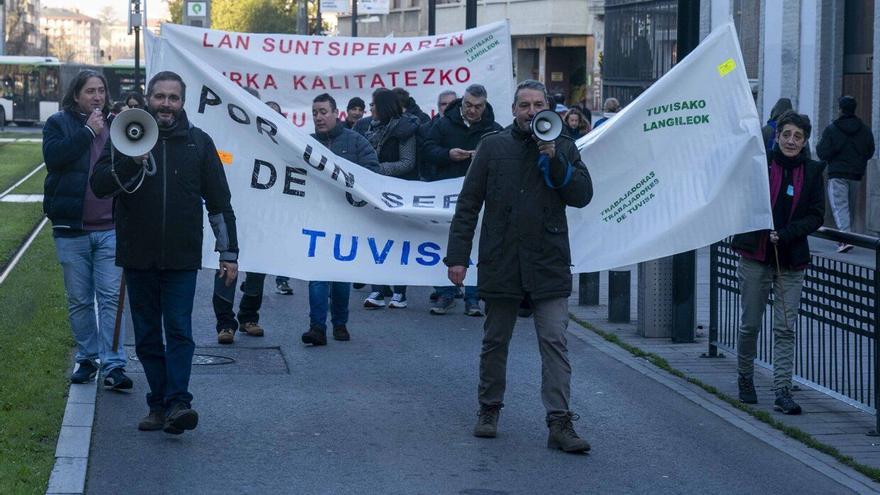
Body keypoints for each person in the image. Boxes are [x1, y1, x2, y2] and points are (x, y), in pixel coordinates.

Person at [445, 80, 593, 452]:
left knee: (555, 341)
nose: (530, 111)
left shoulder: (563, 146)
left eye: (537, 104)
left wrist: (555, 158)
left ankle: (560, 422)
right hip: (503, 259)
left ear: (549, 108)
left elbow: (582, 196)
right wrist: (458, 257)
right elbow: (468, 205)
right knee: (495, 341)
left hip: (548, 261)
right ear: (513, 110)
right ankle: (489, 409)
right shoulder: (492, 147)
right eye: (524, 105)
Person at [91, 71, 239, 435]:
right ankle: (157, 405)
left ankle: (178, 403)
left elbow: (220, 202)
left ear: (182, 102)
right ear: (148, 98)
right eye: (160, 97)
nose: (166, 104)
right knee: (146, 336)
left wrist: (229, 252)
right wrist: (130, 160)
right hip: (138, 255)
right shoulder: (125, 136)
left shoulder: (199, 143)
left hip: (181, 257)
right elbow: (99, 186)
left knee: (179, 330)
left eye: (173, 98)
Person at [42, 70, 132, 391]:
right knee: (80, 299)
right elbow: (53, 159)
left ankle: (114, 363)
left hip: (111, 227)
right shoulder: (59, 123)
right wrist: (86, 132)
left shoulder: (117, 123)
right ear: (77, 95)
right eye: (90, 91)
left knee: (110, 298)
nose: (97, 96)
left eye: (101, 91)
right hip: (72, 228)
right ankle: (88, 356)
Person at [731, 111, 824, 415]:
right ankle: (745, 377)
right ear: (777, 135)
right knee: (750, 325)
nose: (791, 141)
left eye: (798, 136)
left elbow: (816, 215)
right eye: (786, 134)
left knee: (785, 328)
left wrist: (785, 234)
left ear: (805, 140)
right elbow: (741, 199)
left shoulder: (811, 172)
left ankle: (782, 389)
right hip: (756, 257)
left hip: (791, 261)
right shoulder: (760, 165)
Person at [301, 93, 380, 346]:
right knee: (318, 273)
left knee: (341, 274)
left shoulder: (356, 141)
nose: (319, 117)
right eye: (314, 113)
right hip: (317, 218)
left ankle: (340, 323)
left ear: (336, 114)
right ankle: (317, 327)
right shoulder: (306, 143)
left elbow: (372, 171)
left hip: (347, 219)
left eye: (323, 112)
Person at [422, 84, 502, 317]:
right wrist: (448, 155)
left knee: (476, 245)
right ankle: (445, 293)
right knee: (445, 242)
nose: (472, 110)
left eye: (477, 107)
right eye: (468, 105)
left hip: (479, 196)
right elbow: (427, 150)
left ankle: (473, 297)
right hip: (445, 195)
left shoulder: (494, 130)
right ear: (462, 102)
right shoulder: (443, 124)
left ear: (485, 105)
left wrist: (485, 159)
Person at [211, 86, 272, 344]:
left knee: (257, 268)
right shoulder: (220, 137)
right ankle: (226, 323)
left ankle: (249, 317)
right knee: (227, 268)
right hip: (229, 215)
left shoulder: (268, 139)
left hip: (258, 218)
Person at [363, 88, 420, 309]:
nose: (370, 108)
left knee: (397, 243)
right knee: (375, 241)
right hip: (375, 193)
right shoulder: (369, 128)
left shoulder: (404, 129)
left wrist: (377, 169)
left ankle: (399, 293)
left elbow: (407, 162)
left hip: (398, 193)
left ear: (383, 106)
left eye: (373, 104)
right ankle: (377, 291)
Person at [817, 96, 876, 253]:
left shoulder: (832, 129)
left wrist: (833, 155)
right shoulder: (864, 130)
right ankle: (846, 235)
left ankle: (844, 240)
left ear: (840, 109)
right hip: (856, 175)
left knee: (840, 207)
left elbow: (822, 152)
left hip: (837, 173)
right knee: (849, 206)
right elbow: (870, 150)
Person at [264, 100, 294, 294]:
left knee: (283, 240)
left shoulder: (290, 137)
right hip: (263, 200)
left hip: (283, 199)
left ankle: (282, 279)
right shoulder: (252, 133)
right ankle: (253, 278)